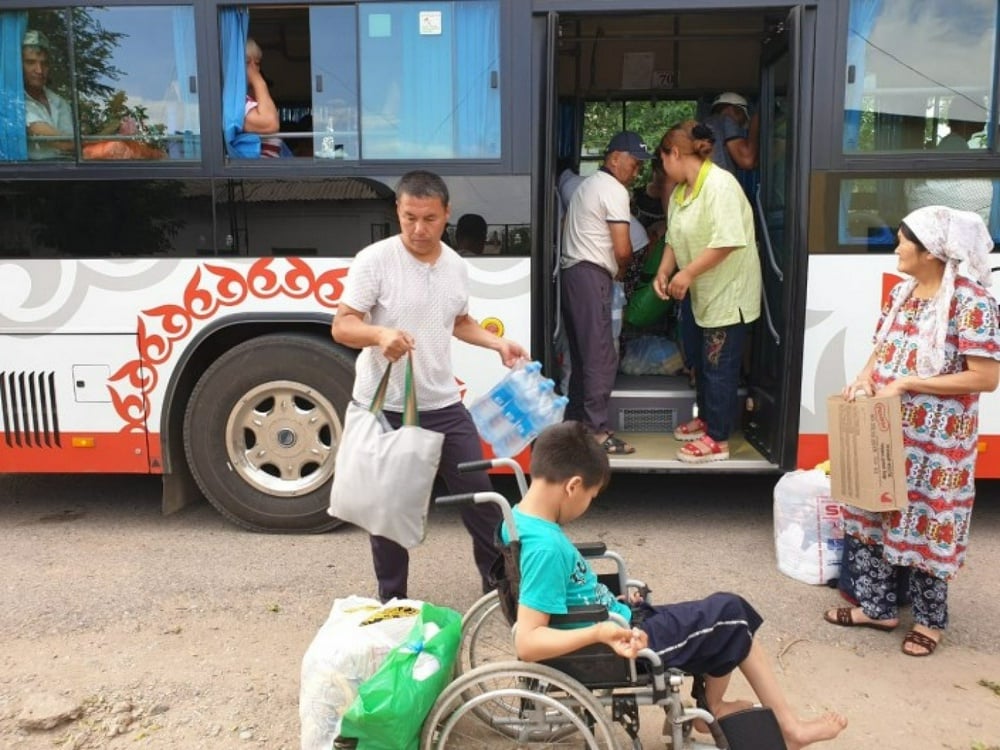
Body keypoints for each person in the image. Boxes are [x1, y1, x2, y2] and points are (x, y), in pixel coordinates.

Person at [506, 421, 849, 750]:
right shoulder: (546, 548)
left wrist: (614, 599)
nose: (588, 504)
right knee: (732, 614)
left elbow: (565, 591)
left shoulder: (520, 520)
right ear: (572, 486)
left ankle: (716, 708)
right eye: (592, 496)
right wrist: (599, 633)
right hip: (620, 644)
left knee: (724, 613)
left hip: (620, 619)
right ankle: (779, 727)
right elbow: (528, 642)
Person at [330, 170, 529, 602]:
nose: (418, 229)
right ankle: (392, 603)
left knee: (482, 502)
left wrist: (498, 343)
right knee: (390, 512)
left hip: (441, 402)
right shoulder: (374, 260)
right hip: (386, 407)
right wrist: (380, 335)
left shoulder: (456, 265)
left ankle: (502, 590)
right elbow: (343, 325)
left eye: (429, 219)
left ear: (447, 215)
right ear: (397, 212)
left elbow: (458, 322)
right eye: (409, 218)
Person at [822, 205, 999, 657]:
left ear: (933, 251)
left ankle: (929, 622)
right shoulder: (903, 293)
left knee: (928, 524)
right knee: (871, 514)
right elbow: (880, 350)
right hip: (886, 432)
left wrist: (908, 383)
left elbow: (984, 377)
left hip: (937, 446)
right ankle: (876, 607)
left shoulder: (971, 302)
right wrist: (865, 377)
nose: (897, 246)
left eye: (904, 239)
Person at [652, 121, 762, 463]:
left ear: (673, 153)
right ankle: (708, 419)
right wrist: (664, 270)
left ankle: (719, 439)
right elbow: (673, 236)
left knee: (719, 366)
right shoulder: (682, 191)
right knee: (699, 361)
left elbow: (728, 240)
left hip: (728, 293)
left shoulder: (720, 185)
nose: (662, 170)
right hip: (699, 293)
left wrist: (686, 272)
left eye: (662, 161)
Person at [561, 131, 654, 455]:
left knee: (583, 355)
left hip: (574, 275)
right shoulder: (613, 190)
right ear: (615, 158)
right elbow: (624, 249)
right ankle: (597, 432)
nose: (637, 171)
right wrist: (622, 273)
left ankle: (574, 425)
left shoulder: (589, 185)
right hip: (592, 276)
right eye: (634, 163)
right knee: (601, 355)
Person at [21, 30, 75, 160]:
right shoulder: (13, 102)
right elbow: (64, 143)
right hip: (31, 177)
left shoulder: (59, 102)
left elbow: (71, 146)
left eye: (44, 63)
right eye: (30, 62)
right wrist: (104, 140)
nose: (39, 70)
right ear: (18, 65)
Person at [243, 38, 286, 158]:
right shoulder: (234, 102)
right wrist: (259, 81)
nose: (253, 69)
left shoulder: (249, 100)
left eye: (257, 63)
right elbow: (270, 124)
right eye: (247, 63)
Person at [704, 92, 759, 174]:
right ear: (732, 109)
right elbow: (747, 161)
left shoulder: (706, 124)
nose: (740, 125)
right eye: (743, 118)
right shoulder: (727, 121)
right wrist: (756, 122)